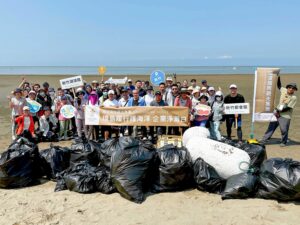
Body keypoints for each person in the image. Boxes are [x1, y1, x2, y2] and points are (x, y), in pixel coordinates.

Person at [260, 77, 298, 147]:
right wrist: (278, 76)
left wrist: (278, 111)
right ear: (288, 88)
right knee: (271, 127)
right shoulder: (284, 90)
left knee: (284, 130)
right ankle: (264, 140)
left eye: (293, 88)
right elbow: (279, 85)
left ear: (294, 90)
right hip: (276, 113)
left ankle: (284, 141)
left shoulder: (293, 97)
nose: (291, 89)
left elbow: (288, 108)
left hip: (285, 116)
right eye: (289, 87)